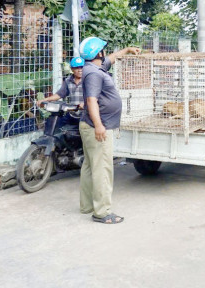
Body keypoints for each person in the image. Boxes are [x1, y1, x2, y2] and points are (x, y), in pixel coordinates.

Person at [78, 37, 141, 224]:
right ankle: (102, 212)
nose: (105, 52)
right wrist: (99, 125)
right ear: (98, 53)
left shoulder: (95, 67)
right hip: (97, 126)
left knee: (90, 167)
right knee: (102, 169)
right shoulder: (94, 74)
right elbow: (91, 100)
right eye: (103, 49)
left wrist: (128, 49)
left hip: (91, 125)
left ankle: (87, 205)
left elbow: (112, 58)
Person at [37, 57, 85, 126]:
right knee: (59, 126)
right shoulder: (68, 81)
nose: (80, 70)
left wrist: (85, 104)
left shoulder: (88, 80)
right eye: (77, 68)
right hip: (72, 113)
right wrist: (44, 100)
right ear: (72, 69)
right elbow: (59, 94)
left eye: (81, 67)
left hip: (86, 115)